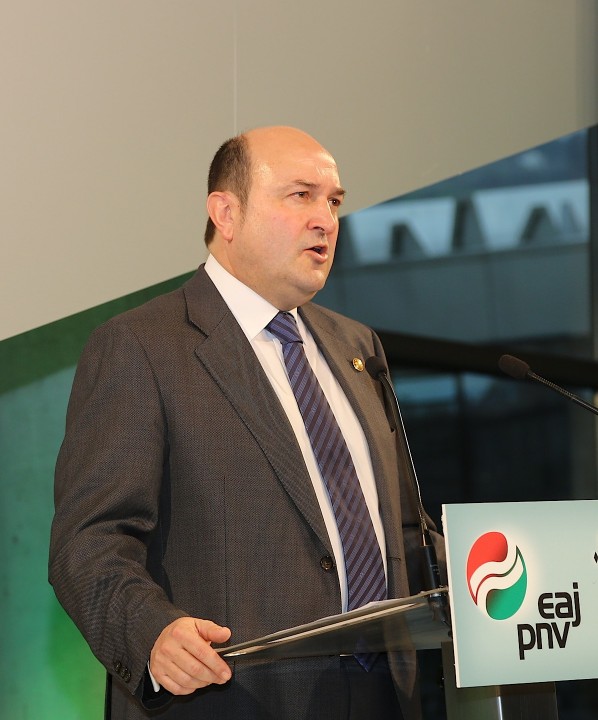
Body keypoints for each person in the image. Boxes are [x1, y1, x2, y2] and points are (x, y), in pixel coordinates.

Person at [49, 125, 445, 720]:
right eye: (301, 196)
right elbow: (89, 541)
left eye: (334, 202)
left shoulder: (357, 347)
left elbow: (405, 531)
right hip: (231, 697)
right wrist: (152, 633)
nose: (325, 220)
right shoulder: (141, 346)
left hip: (386, 696)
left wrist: (494, 572)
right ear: (226, 213)